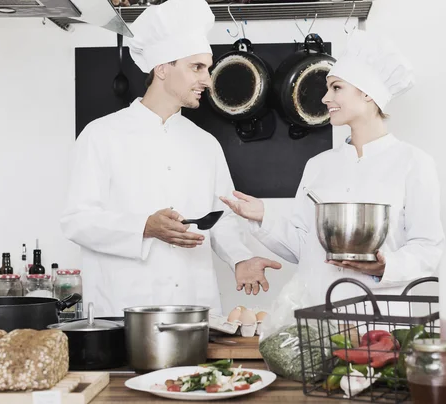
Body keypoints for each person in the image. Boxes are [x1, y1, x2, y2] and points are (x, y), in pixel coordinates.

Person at [60, 0, 281, 316]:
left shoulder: (204, 144)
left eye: (208, 68)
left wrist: (240, 257)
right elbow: (76, 220)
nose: (207, 80)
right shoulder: (101, 135)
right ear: (162, 68)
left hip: (195, 312)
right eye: (197, 67)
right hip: (123, 311)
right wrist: (144, 227)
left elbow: (222, 217)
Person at [221, 30, 445, 307]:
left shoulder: (413, 163)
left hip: (378, 320)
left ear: (367, 93)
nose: (325, 98)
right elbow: (304, 248)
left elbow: (428, 247)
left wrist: (385, 266)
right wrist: (262, 215)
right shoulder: (319, 165)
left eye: (336, 87)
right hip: (316, 316)